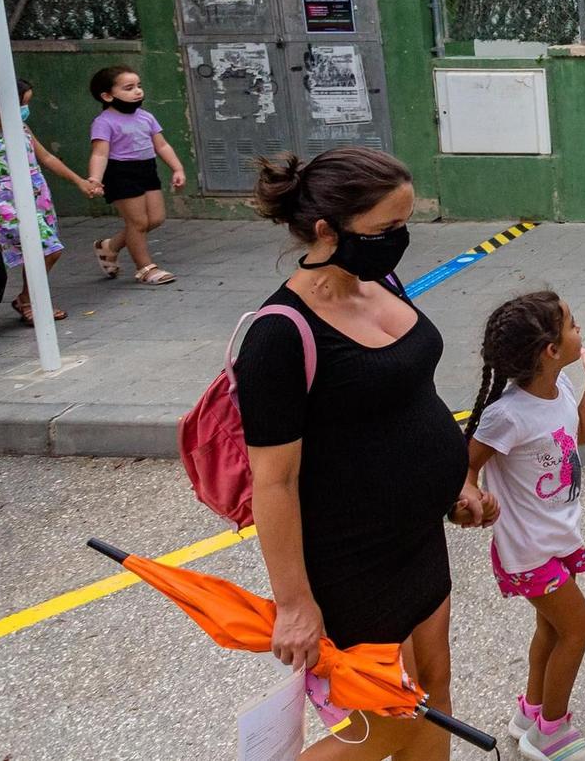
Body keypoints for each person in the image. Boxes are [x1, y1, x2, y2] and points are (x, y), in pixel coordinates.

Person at [233, 146, 492, 761]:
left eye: (404, 225)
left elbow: (406, 395)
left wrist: (453, 479)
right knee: (392, 717)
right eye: (385, 229)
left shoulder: (382, 279)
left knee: (435, 690)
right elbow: (274, 481)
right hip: (353, 561)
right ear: (327, 230)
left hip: (418, 536)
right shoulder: (278, 335)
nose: (398, 241)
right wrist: (295, 603)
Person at [464, 291, 585, 761]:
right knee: (580, 628)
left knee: (552, 629)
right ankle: (551, 733)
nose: (579, 331)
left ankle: (530, 711)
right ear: (550, 351)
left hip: (557, 538)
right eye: (572, 326)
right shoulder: (507, 415)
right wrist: (472, 495)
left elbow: (582, 431)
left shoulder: (560, 388)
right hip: (528, 550)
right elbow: (463, 467)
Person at [0, 75, 101, 322]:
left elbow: (47, 158)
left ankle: (28, 299)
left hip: (38, 196)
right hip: (7, 202)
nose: (25, 110)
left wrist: (79, 181)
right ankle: (30, 299)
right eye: (21, 104)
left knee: (37, 248)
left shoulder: (22, 128)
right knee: (48, 248)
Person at [86, 65, 186, 284]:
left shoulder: (146, 117)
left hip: (146, 168)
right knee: (138, 222)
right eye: (129, 88)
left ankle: (109, 247)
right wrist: (95, 179)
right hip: (120, 172)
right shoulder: (104, 122)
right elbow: (100, 154)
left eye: (139, 86)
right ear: (107, 95)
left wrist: (177, 168)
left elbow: (161, 145)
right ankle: (146, 268)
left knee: (155, 218)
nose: (138, 91)